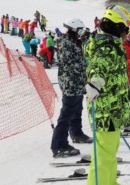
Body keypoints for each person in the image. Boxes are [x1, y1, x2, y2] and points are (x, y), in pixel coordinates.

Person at [84, 6, 130, 185]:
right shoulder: (106, 48)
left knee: (108, 153)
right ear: (117, 27)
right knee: (103, 156)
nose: (126, 34)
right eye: (125, 29)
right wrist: (95, 83)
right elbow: (97, 67)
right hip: (106, 111)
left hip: (112, 110)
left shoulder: (110, 45)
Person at [51, 18, 92, 158]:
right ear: (73, 30)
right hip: (71, 84)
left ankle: (76, 133)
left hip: (77, 83)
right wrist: (87, 67)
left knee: (77, 109)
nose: (82, 33)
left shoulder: (74, 42)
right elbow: (71, 64)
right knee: (66, 114)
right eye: (80, 30)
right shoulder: (66, 44)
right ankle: (58, 145)